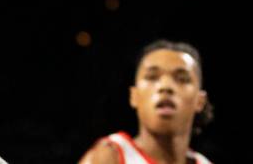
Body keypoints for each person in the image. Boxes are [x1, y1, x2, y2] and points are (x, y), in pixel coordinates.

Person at [79, 40, 215, 164]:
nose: (165, 86)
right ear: (134, 96)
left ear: (200, 101)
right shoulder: (108, 156)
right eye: (152, 77)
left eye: (181, 79)